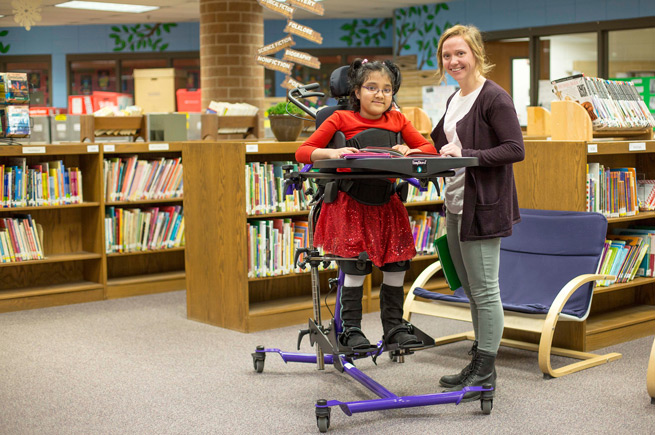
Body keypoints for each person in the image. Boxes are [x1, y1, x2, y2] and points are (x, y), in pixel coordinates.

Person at [295, 59, 437, 351]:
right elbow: (303, 151)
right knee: (357, 267)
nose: (380, 95)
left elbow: (429, 150)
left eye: (387, 89)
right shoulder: (338, 119)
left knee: (397, 264)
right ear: (357, 91)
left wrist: (409, 149)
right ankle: (351, 330)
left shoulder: (399, 120)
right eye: (372, 87)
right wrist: (333, 153)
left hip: (386, 203)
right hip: (350, 204)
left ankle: (395, 327)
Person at [430, 24, 525, 400]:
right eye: (447, 55)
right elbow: (440, 142)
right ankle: (479, 361)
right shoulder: (455, 98)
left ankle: (485, 372)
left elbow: (514, 148)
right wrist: (414, 149)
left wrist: (470, 157)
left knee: (485, 292)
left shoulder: (494, 97)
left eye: (460, 54)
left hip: (483, 206)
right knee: (470, 290)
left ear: (476, 54)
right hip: (456, 204)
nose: (453, 61)